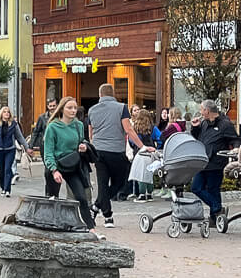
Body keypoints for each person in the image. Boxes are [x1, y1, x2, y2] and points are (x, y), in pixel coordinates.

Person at [87, 84, 145, 228]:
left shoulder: (92, 110)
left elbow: (90, 134)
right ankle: (105, 214)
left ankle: (102, 211)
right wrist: (142, 146)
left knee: (102, 183)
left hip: (98, 151)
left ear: (100, 95)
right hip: (116, 150)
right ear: (113, 94)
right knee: (120, 181)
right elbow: (128, 129)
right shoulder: (121, 107)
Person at [43, 97, 99, 236]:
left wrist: (84, 146)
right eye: (69, 108)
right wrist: (54, 170)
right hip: (56, 164)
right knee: (52, 198)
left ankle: (91, 229)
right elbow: (48, 151)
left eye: (75, 108)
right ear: (62, 109)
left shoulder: (78, 125)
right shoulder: (53, 127)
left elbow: (82, 140)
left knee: (81, 197)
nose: (73, 110)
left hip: (73, 164)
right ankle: (51, 226)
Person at [190, 99, 239, 223]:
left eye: (201, 109)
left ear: (207, 111)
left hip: (216, 162)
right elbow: (197, 137)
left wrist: (236, 148)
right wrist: (194, 128)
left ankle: (214, 219)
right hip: (202, 161)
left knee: (213, 189)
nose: (200, 112)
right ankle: (217, 208)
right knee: (196, 187)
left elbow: (234, 139)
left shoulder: (225, 124)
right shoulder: (204, 123)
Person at [0, 106, 29, 197]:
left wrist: (27, 147)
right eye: (4, 112)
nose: (6, 113)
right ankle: (3, 188)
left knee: (7, 169)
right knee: (2, 170)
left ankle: (7, 189)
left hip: (10, 149)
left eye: (8, 112)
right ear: (1, 113)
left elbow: (19, 137)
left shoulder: (13, 124)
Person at [128, 107, 156, 200]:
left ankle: (142, 194)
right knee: (150, 172)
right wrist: (155, 147)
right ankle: (150, 194)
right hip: (151, 153)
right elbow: (161, 138)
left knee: (141, 174)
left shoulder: (135, 127)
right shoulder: (152, 127)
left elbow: (131, 141)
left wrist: (135, 148)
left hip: (139, 153)